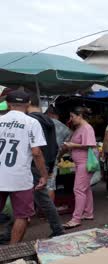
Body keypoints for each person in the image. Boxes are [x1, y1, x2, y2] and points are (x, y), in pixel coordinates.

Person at [0, 90, 49, 244]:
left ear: (8, 104)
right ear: (28, 104)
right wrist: (44, 175)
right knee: (22, 216)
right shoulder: (32, 123)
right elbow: (36, 152)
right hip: (20, 178)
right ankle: (12, 251)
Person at [26, 97, 64, 237]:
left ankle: (58, 229)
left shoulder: (30, 120)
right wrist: (50, 164)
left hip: (34, 164)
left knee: (41, 198)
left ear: (28, 103)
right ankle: (57, 229)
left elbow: (35, 150)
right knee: (36, 197)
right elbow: (54, 145)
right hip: (46, 162)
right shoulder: (49, 121)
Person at [62, 107, 96, 229]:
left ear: (80, 115)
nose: (71, 119)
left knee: (79, 190)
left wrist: (72, 145)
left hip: (85, 163)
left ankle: (76, 219)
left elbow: (90, 144)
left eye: (72, 116)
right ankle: (88, 213)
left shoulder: (87, 128)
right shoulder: (80, 128)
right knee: (85, 189)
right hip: (80, 163)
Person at [46, 105, 72, 202]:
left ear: (48, 113)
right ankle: (48, 214)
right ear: (55, 115)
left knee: (35, 185)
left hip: (37, 158)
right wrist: (59, 155)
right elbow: (66, 146)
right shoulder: (65, 128)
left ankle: (35, 211)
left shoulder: (39, 122)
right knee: (50, 186)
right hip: (52, 160)